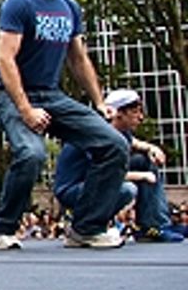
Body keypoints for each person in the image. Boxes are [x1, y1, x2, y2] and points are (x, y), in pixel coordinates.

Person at [0, 0, 128, 250]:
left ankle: (86, 229)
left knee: (113, 145)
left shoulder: (69, 6)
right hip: (13, 94)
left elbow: (78, 58)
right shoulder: (19, 3)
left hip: (52, 95)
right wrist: (25, 109)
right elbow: (5, 59)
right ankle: (4, 226)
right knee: (31, 154)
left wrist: (98, 102)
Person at [53, 88, 184, 243]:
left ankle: (153, 226)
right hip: (73, 189)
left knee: (145, 161)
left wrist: (151, 148)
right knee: (127, 189)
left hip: (92, 183)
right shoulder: (96, 135)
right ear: (118, 114)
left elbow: (134, 143)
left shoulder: (119, 133)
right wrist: (143, 176)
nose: (140, 117)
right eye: (135, 112)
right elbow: (100, 174)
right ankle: (86, 226)